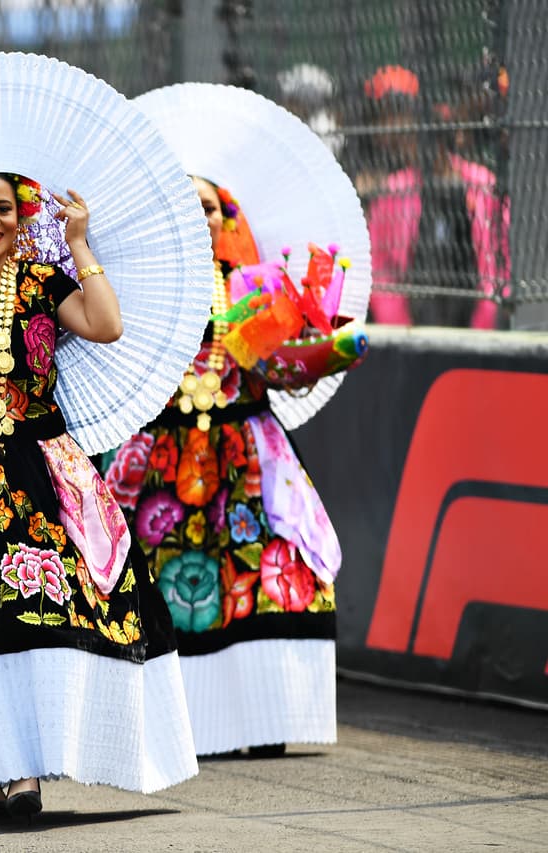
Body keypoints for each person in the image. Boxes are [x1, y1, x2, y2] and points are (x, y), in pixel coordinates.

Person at [0, 172, 193, 818]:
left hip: (37, 470)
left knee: (41, 609)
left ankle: (25, 764)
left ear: (23, 217)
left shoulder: (43, 284)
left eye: (4, 208)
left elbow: (106, 324)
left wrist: (78, 242)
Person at [98, 175, 344, 757]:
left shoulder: (257, 287)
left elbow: (280, 371)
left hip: (246, 456)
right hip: (159, 461)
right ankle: (179, 729)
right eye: (183, 207)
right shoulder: (140, 292)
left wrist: (314, 342)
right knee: (152, 582)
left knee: (267, 575)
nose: (199, 217)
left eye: (207, 207)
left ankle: (267, 718)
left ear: (225, 217)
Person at [359, 65, 508, 329]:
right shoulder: (395, 190)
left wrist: (485, 320)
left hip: (476, 316)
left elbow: (500, 261)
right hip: (412, 319)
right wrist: (400, 325)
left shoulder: (483, 184)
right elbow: (380, 267)